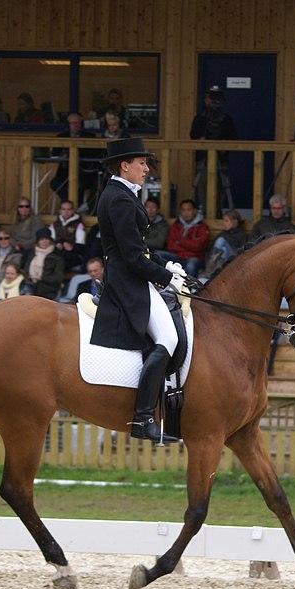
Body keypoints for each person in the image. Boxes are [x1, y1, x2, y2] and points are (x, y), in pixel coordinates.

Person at [90, 137, 188, 445]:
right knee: (169, 338)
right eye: (142, 163)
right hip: (126, 280)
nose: (147, 169)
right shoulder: (119, 199)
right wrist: (165, 278)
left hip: (131, 273)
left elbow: (140, 248)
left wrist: (167, 265)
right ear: (125, 165)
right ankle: (144, 416)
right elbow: (131, 256)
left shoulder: (122, 193)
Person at [189, 85, 237, 213]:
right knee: (202, 186)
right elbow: (193, 136)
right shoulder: (200, 119)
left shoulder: (226, 120)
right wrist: (201, 141)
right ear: (206, 100)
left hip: (221, 161)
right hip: (203, 160)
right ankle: (203, 212)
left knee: (221, 188)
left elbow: (234, 139)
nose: (214, 102)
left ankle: (218, 213)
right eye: (212, 98)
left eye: (217, 99)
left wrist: (224, 145)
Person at [161, 198, 210, 277]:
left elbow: (198, 247)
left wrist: (180, 241)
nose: (186, 213)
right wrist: (188, 246)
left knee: (191, 264)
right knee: (158, 255)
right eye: (183, 210)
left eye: (189, 210)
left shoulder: (202, 227)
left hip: (193, 258)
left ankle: (190, 288)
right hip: (177, 256)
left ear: (194, 211)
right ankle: (160, 286)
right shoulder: (175, 226)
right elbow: (170, 246)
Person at [201, 209, 248, 280]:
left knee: (221, 241)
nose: (224, 223)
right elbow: (210, 249)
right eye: (224, 221)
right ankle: (216, 271)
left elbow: (243, 252)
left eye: (226, 221)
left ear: (235, 222)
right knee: (224, 250)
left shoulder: (242, 235)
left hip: (234, 261)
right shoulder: (222, 234)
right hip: (220, 262)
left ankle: (210, 270)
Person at [23, 226, 65, 299]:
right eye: (41, 239)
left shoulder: (57, 256)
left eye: (46, 239)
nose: (44, 241)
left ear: (50, 241)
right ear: (38, 241)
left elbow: (58, 277)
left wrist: (41, 278)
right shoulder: (31, 253)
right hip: (30, 284)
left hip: (48, 288)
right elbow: (25, 268)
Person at [51, 200, 86, 274]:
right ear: (60, 211)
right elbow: (50, 241)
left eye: (69, 209)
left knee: (63, 258)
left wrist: (72, 247)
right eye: (63, 209)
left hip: (72, 253)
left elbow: (81, 246)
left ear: (73, 211)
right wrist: (56, 245)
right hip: (57, 251)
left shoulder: (79, 225)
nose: (66, 212)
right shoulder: (54, 225)